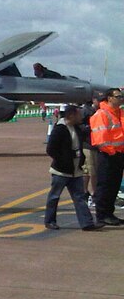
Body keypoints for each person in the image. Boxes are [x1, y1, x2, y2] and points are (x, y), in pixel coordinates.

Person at [45, 104, 102, 230]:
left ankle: (87, 223)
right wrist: (63, 160)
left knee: (80, 197)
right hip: (61, 171)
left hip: (75, 171)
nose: (81, 116)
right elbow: (50, 149)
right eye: (79, 114)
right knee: (54, 197)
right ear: (71, 115)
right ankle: (49, 221)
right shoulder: (60, 129)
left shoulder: (76, 127)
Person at [89, 88, 124, 225]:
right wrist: (112, 151)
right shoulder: (102, 114)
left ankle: (109, 213)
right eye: (118, 96)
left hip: (118, 154)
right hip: (108, 154)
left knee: (114, 185)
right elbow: (100, 139)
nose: (121, 98)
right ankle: (102, 214)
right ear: (109, 98)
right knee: (105, 185)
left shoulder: (119, 113)